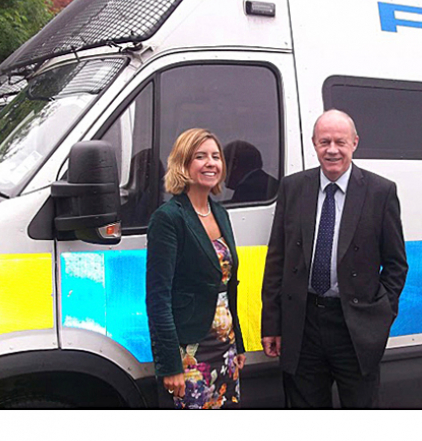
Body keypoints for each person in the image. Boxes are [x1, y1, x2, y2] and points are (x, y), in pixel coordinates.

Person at [261, 109, 408, 408]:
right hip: (303, 326)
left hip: (354, 328)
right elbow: (277, 259)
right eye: (324, 141)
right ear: (313, 143)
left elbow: (396, 264)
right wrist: (272, 323)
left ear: (355, 143)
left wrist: (380, 315)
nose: (332, 150)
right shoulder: (292, 188)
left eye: (340, 142)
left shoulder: (380, 192)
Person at [146, 128, 245, 409]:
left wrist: (238, 343)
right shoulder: (168, 218)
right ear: (183, 164)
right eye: (200, 156)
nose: (210, 163)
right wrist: (170, 365)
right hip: (190, 353)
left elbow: (228, 286)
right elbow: (158, 298)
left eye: (216, 156)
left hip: (225, 349)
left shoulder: (220, 213)